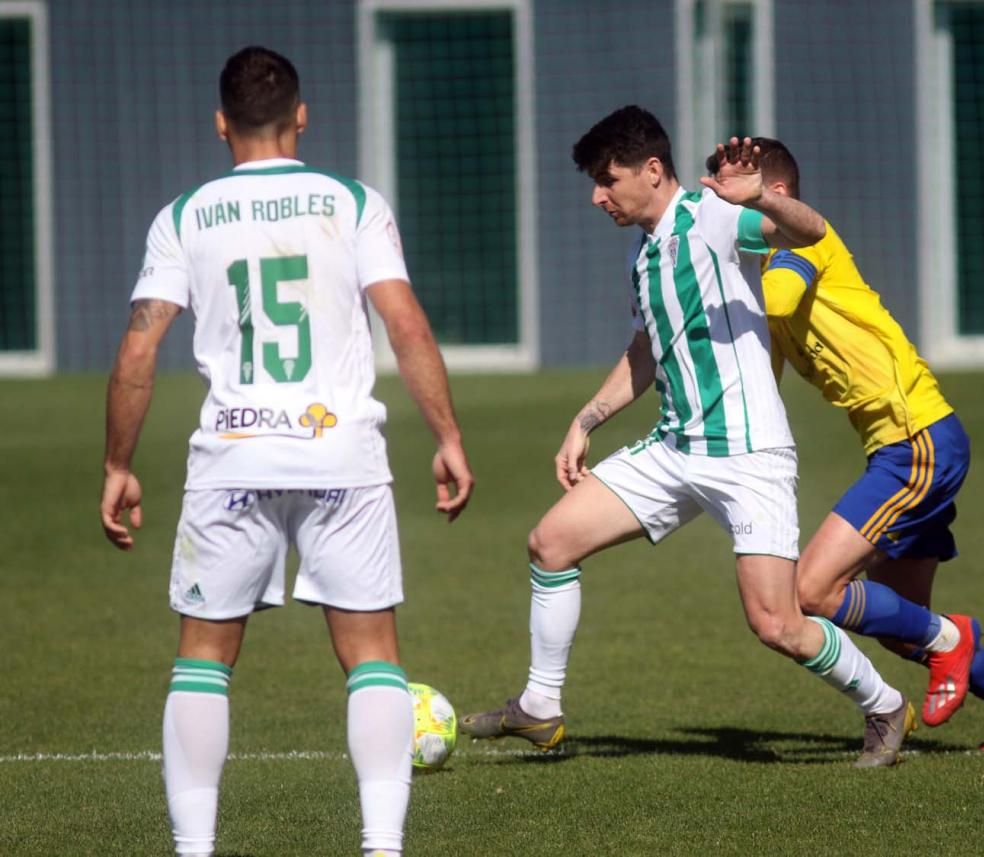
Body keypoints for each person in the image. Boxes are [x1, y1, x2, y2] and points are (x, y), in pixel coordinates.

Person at [100, 46, 473, 857]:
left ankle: (193, 849)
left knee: (203, 657)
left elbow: (138, 350)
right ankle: (382, 845)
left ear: (220, 122)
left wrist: (117, 465)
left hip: (232, 460)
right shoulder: (352, 201)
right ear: (301, 116)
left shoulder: (186, 214)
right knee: (372, 654)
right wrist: (446, 436)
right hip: (342, 454)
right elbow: (404, 323)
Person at [461, 105, 914, 769]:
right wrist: (586, 419)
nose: (597, 195)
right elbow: (648, 349)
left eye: (606, 179)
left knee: (777, 624)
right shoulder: (644, 255)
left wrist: (758, 196)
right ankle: (540, 707)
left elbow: (811, 233)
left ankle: (884, 705)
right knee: (551, 542)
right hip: (675, 449)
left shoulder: (713, 216)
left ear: (651, 170)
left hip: (748, 454)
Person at [708, 136, 984, 749]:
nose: (716, 202)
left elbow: (776, 299)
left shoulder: (802, 251)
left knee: (812, 591)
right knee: (905, 628)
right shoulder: (765, 276)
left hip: (918, 441)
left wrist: (713, 275)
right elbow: (755, 377)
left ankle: (955, 640)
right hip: (905, 447)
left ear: (771, 195)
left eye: (726, 190)